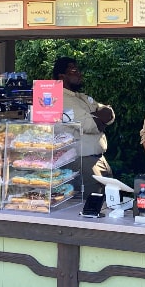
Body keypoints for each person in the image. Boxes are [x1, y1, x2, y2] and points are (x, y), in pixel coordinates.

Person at [53, 57, 115, 195]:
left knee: (109, 202)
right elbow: (91, 125)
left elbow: (109, 113)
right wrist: (96, 116)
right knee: (91, 204)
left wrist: (97, 116)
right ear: (61, 76)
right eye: (74, 70)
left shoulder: (80, 97)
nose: (79, 74)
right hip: (83, 160)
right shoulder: (60, 98)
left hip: (99, 158)